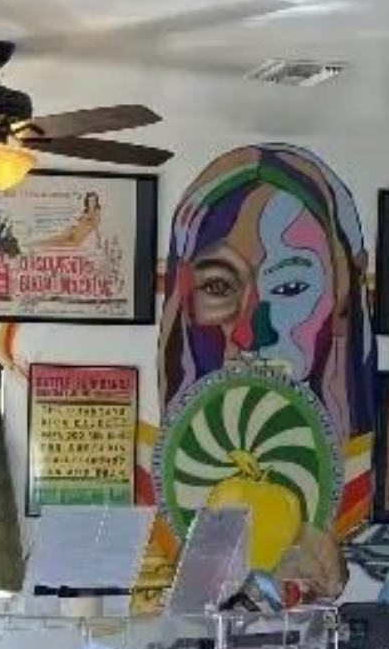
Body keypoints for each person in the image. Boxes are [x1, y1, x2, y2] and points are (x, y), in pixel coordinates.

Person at [159, 143, 377, 559]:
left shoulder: (364, 472)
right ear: (182, 300)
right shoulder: (167, 471)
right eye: (219, 287)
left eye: (291, 288)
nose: (251, 333)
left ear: (343, 293)